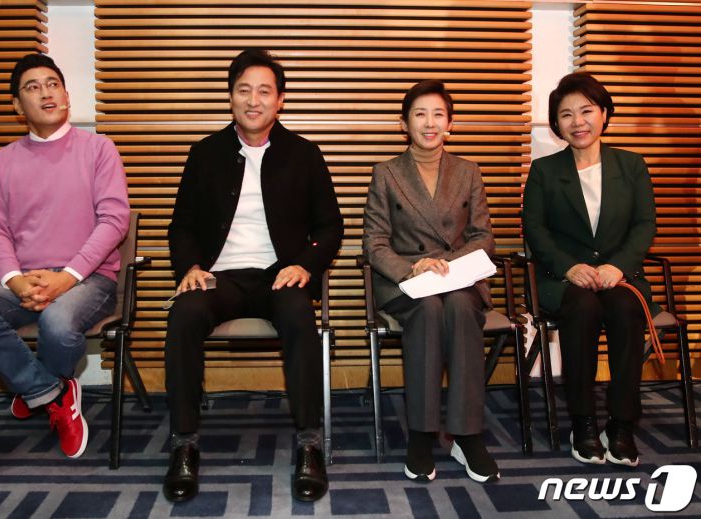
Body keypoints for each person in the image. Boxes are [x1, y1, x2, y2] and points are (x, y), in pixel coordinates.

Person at [162, 49, 343, 503]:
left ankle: (309, 444)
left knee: (299, 316)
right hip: (219, 277)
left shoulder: (304, 154)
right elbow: (181, 226)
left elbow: (330, 226)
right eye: (244, 90)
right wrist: (190, 268)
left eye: (264, 91)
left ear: (280, 100)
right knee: (183, 314)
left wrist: (304, 264)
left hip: (279, 276)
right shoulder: (205, 153)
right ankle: (184, 443)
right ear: (230, 97)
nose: (253, 100)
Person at [0, 54, 130, 459]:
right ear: (18, 105)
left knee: (57, 320)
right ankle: (50, 392)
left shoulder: (98, 149)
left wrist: (66, 277)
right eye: (32, 87)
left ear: (66, 95)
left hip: (89, 280)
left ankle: (34, 388)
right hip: (27, 279)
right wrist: (16, 281)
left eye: (52, 84)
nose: (46, 93)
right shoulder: (2, 162)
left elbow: (114, 221)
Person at [363, 80, 500, 483]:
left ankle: (467, 435)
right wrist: (413, 268)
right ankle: (421, 436)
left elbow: (483, 237)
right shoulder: (386, 173)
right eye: (420, 114)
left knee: (458, 306)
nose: (429, 122)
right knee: (427, 308)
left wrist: (444, 264)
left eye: (438, 114)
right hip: (408, 282)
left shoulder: (468, 171)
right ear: (404, 124)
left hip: (458, 278)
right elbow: (374, 242)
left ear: (450, 124)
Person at [522, 72, 657, 467]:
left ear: (604, 114)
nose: (577, 122)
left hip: (620, 277)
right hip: (563, 280)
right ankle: (582, 422)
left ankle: (621, 424)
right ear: (556, 123)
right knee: (582, 308)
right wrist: (569, 267)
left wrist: (619, 266)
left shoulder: (631, 165)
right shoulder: (545, 170)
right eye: (566, 114)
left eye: (586, 111)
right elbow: (534, 229)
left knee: (625, 309)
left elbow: (645, 224)